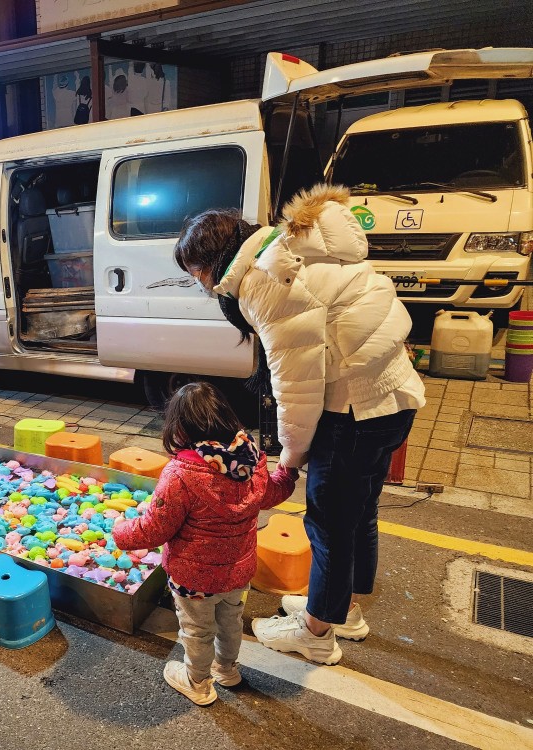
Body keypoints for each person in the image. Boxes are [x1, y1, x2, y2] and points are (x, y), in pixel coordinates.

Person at [173, 184, 424, 665]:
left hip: (353, 412)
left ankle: (315, 634)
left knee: (328, 523)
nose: (203, 285)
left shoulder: (265, 281)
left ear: (212, 260)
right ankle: (342, 610)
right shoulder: (296, 249)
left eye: (197, 274)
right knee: (358, 513)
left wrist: (288, 459)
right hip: (393, 398)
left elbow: (297, 383)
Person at [113, 382, 298, 706]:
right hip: (238, 572)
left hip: (194, 579)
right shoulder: (250, 458)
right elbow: (271, 494)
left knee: (197, 630)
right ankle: (226, 669)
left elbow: (156, 529)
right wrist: (287, 474)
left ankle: (197, 683)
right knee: (229, 621)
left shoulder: (181, 473)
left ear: (179, 427)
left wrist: (120, 532)